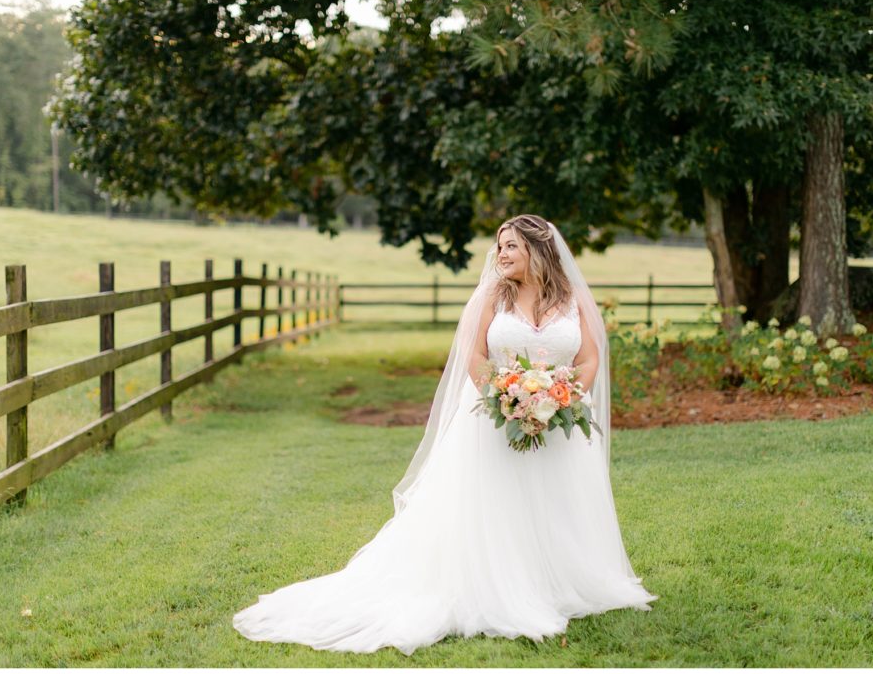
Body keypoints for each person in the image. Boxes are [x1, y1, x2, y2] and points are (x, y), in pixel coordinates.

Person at [232, 214, 658, 655]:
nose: (501, 254)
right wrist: (509, 397)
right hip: (495, 419)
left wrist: (563, 399)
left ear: (537, 249)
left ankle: (556, 580)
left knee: (556, 504)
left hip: (561, 423)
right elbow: (472, 355)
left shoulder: (571, 299)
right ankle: (499, 583)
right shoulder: (493, 294)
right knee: (498, 506)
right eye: (500, 245)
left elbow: (589, 358)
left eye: (511, 245)